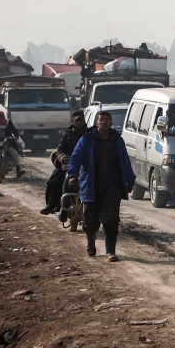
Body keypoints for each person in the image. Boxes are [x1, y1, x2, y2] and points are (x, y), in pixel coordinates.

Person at [67, 111, 136, 262]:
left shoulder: (117, 140)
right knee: (90, 220)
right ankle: (91, 244)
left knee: (111, 220)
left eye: (107, 120)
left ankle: (110, 251)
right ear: (96, 123)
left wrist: (130, 181)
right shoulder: (87, 139)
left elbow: (125, 161)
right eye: (101, 120)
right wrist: (72, 175)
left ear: (111, 123)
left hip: (113, 186)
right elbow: (75, 158)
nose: (104, 122)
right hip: (91, 185)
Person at [41, 111, 86, 220]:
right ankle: (54, 205)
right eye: (77, 121)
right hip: (70, 164)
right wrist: (62, 158)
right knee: (55, 179)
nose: (79, 123)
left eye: (81, 120)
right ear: (72, 122)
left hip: (86, 165)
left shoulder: (90, 133)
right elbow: (60, 150)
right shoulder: (68, 134)